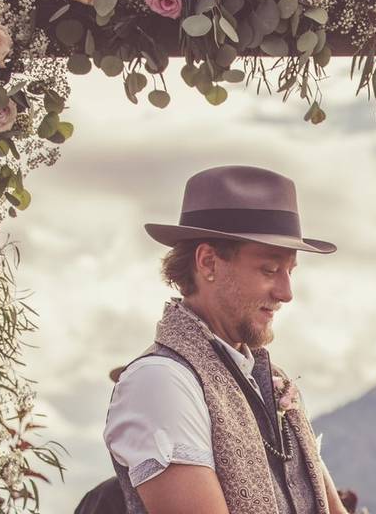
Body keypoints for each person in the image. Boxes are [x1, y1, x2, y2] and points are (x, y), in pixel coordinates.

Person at [104, 165, 349, 514]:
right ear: (208, 262)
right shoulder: (161, 381)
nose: (286, 292)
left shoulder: (272, 382)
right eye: (269, 270)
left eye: (290, 272)